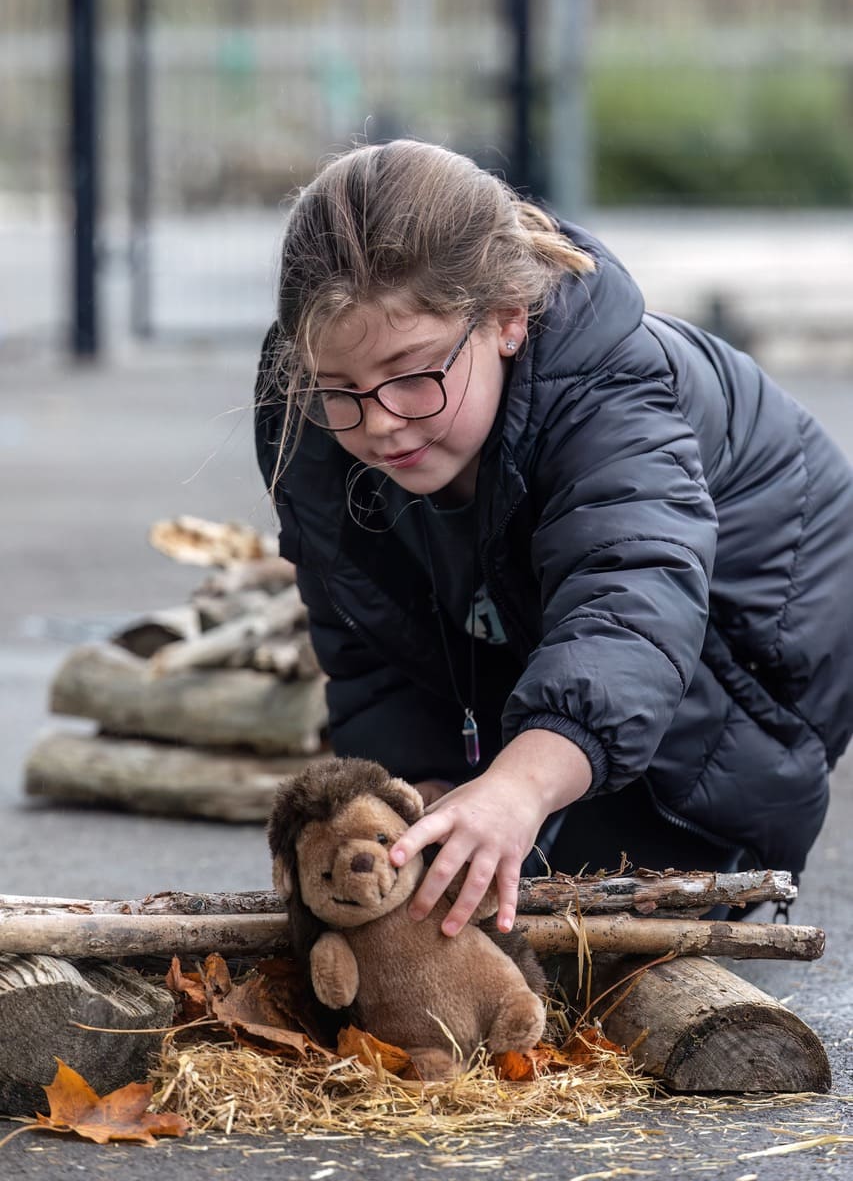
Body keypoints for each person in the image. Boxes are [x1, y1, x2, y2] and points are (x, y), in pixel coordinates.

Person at [254, 139, 853, 938]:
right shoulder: (308, 407)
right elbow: (368, 628)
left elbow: (630, 606)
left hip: (741, 642)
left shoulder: (616, 392)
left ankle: (701, 850)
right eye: (342, 390)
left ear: (506, 318)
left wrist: (517, 790)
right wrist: (414, 793)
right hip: (570, 611)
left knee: (595, 932)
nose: (378, 421)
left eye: (410, 374)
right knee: (429, 914)